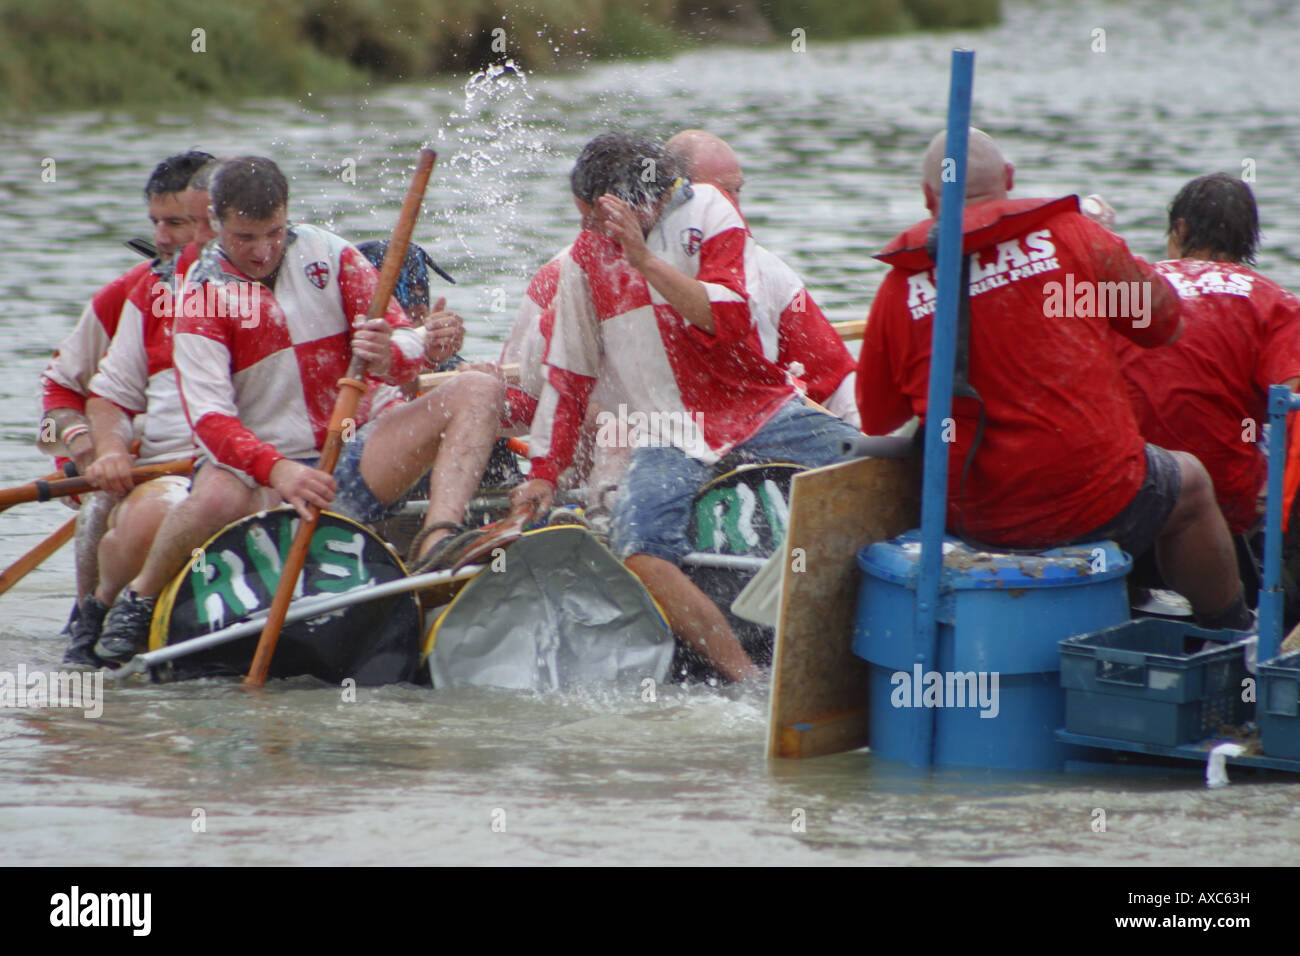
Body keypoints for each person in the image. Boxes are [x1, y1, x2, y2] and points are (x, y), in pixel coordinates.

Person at [93, 156, 504, 664]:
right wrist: (280, 470)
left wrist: (394, 352)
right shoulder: (201, 295)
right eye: (246, 237)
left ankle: (438, 541)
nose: (263, 251)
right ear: (216, 224)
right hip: (255, 472)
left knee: (479, 390)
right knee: (214, 497)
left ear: (287, 216)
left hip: (351, 455)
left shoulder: (329, 254)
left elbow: (401, 348)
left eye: (275, 232)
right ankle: (140, 597)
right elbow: (211, 423)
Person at [857, 128, 1253, 632]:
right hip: (1095, 499)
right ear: (1009, 179)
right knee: (1191, 483)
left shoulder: (897, 289)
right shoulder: (1073, 238)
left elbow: (878, 417)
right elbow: (1162, 325)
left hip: (970, 514)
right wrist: (1074, 299)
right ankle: (1232, 635)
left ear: (927, 197)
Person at [510, 133, 863, 682]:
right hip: (668, 431)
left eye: (593, 218)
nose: (587, 231)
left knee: (879, 468)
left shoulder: (709, 208)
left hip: (759, 408)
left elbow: (728, 320)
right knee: (639, 548)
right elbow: (568, 380)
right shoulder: (584, 261)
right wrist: (542, 472)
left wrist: (643, 259)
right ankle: (747, 679)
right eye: (582, 218)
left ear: (635, 205)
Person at [37, 150, 213, 625]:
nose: (160, 238)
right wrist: (85, 451)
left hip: (226, 467)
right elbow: (55, 396)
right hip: (145, 469)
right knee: (98, 507)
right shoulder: (128, 294)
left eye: (175, 223)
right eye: (155, 222)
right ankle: (89, 622)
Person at [1109, 173, 1300, 539]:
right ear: (1248, 242)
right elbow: (1292, 404)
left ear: (1178, 230)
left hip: (1122, 494)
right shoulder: (1278, 303)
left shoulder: (1130, 289)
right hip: (1225, 503)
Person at [664, 129, 859, 424]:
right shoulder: (631, 266)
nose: (732, 208)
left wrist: (863, 447)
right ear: (671, 195)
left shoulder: (769, 272)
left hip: (758, 429)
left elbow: (833, 375)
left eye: (736, 191)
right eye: (717, 193)